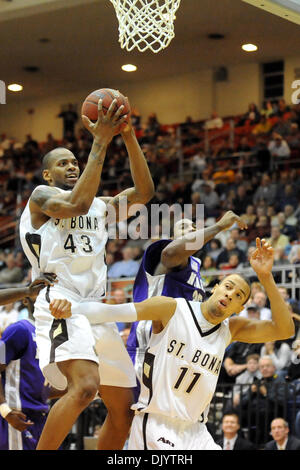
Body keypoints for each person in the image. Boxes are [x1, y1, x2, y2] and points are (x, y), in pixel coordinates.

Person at [50, 238, 294, 450]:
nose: (230, 294)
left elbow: (284, 329)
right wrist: (73, 308)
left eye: (238, 295)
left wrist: (265, 277)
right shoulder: (172, 308)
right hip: (157, 424)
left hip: (197, 431)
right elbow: (115, 311)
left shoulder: (232, 329)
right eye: (228, 287)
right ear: (216, 288)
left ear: (239, 308)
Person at [19, 98, 155, 451]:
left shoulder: (100, 206)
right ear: (48, 175)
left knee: (124, 411)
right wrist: (100, 140)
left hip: (96, 307)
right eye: (62, 163)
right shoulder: (41, 198)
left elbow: (144, 192)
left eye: (74, 162)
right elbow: (75, 204)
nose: (71, 166)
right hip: (60, 299)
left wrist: (127, 136)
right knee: (84, 388)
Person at [127, 210, 248, 401]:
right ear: (173, 236)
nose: (191, 229)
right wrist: (219, 226)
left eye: (193, 227)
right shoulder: (166, 253)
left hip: (177, 351)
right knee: (135, 416)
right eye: (183, 226)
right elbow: (171, 254)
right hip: (149, 347)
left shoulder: (196, 266)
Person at [0, 275, 60, 450]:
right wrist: (5, 410)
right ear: (25, 300)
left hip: (40, 417)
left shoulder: (53, 336)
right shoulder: (18, 330)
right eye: (41, 292)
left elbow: (41, 389)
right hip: (16, 417)